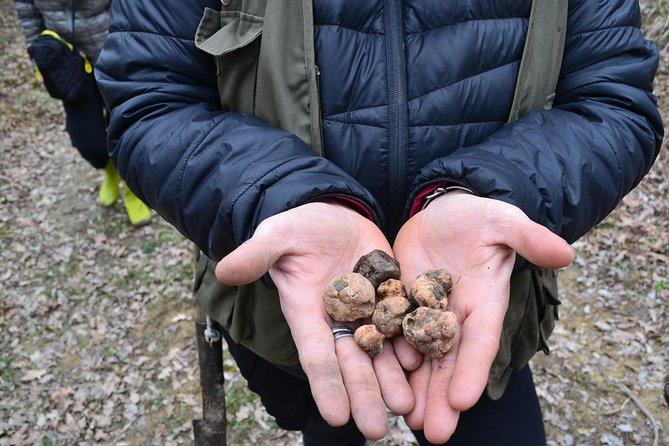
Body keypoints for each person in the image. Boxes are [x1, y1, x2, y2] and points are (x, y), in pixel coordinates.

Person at [94, 1, 663, 444]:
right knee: (326, 421)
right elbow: (149, 100)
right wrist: (280, 196)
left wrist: (485, 190)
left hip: (481, 307)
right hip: (288, 307)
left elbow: (613, 101)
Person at [13, 0, 151, 226]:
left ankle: (131, 187)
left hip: (115, 52)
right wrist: (39, 57)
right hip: (65, 61)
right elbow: (27, 13)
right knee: (87, 140)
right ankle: (110, 170)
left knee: (128, 128)